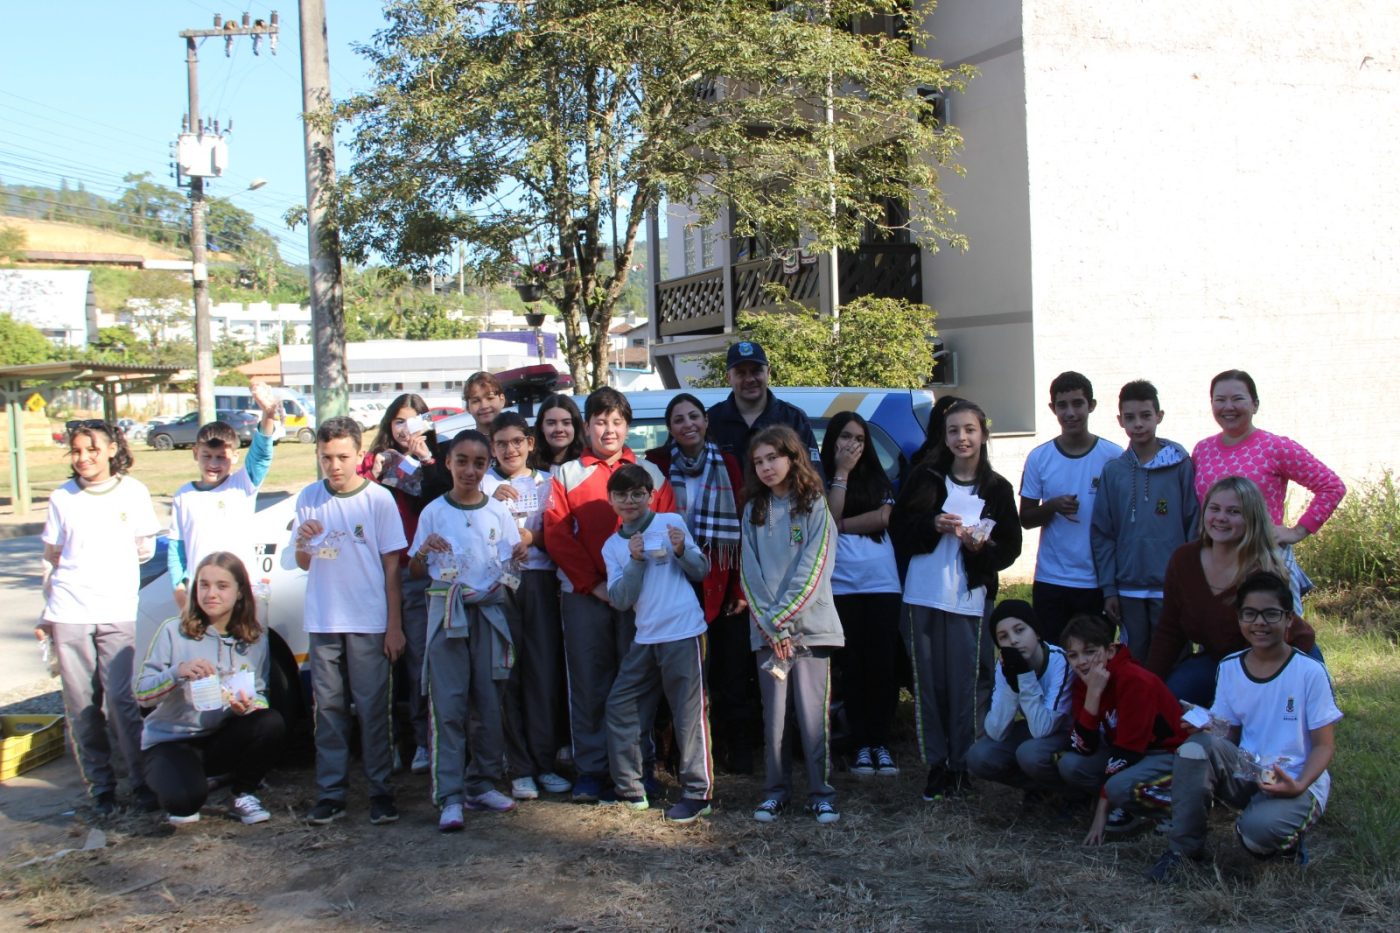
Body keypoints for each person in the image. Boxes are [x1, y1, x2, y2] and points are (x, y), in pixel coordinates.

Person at [1147, 571, 1342, 883]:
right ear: (1239, 618)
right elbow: (1230, 734)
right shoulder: (1230, 667)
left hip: (1294, 776)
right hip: (1250, 769)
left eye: (1271, 614)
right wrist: (1204, 725)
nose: (1259, 623)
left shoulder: (1309, 671)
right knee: (1194, 749)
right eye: (1250, 614)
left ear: (1289, 618)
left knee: (1255, 835)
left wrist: (1301, 783)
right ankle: (1183, 850)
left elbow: (1324, 745)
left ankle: (1285, 834)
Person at [543, 387, 676, 802]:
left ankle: (637, 769)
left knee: (638, 683)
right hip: (586, 595)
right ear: (587, 427)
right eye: (600, 421)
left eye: (617, 421)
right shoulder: (567, 474)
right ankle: (592, 769)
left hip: (640, 595)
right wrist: (593, 585)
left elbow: (666, 526)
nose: (609, 429)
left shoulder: (651, 474)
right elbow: (557, 534)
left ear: (627, 427)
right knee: (589, 683)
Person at [889, 399, 1022, 801]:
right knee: (928, 684)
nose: (961, 438)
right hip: (923, 595)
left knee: (966, 685)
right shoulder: (925, 478)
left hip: (968, 598)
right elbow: (899, 530)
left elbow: (1010, 547)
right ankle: (936, 765)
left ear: (982, 434)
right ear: (943, 437)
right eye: (953, 431)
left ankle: (963, 765)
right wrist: (932, 524)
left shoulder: (997, 488)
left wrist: (982, 547)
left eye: (969, 430)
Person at [40, 420, 161, 816]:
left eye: (92, 449)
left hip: (117, 611)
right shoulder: (63, 497)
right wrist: (49, 612)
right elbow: (54, 556)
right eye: (76, 451)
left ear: (112, 450)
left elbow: (144, 549)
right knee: (83, 706)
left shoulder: (134, 491)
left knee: (123, 702)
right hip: (71, 612)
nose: (83, 458)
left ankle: (143, 783)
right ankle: (101, 787)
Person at [292, 417, 407, 826]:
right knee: (329, 708)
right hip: (324, 620)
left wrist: (394, 626)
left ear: (360, 455)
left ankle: (380, 790)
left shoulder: (378, 500)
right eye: (326, 458)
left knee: (374, 709)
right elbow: (303, 561)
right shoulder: (308, 497)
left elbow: (392, 569)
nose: (334, 466)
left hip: (369, 621)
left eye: (342, 457)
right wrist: (304, 541)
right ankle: (331, 793)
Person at [409, 429, 525, 830]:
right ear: (448, 463)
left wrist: (515, 565)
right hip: (448, 614)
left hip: (489, 614)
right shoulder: (433, 513)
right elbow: (414, 568)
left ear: (487, 464)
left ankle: (483, 782)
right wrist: (423, 552)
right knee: (449, 703)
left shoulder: (497, 512)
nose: (471, 470)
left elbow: (512, 566)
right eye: (462, 461)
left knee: (489, 700)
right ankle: (450, 795)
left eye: (479, 463)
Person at [740, 425, 845, 825]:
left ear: (792, 457)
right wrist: (772, 626)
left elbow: (815, 567)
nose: (767, 467)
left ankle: (820, 793)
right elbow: (749, 572)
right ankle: (775, 792)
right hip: (769, 634)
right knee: (776, 717)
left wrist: (784, 619)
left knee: (811, 714)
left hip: (810, 629)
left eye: (773, 458)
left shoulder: (814, 504)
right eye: (759, 461)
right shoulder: (754, 509)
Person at [135, 552, 286, 825]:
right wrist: (177, 673)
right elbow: (143, 696)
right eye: (203, 585)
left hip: (220, 736)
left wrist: (250, 706)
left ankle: (243, 793)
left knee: (270, 721)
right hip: (172, 740)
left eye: (222, 586)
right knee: (184, 806)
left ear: (240, 592)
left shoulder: (255, 638)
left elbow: (261, 694)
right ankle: (171, 776)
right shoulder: (172, 630)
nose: (211, 594)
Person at [643, 394, 751, 774]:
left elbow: (741, 525)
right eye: (678, 419)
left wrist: (740, 589)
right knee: (673, 671)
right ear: (669, 427)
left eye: (694, 417)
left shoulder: (729, 463)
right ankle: (669, 754)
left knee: (726, 668)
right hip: (672, 575)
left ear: (706, 422)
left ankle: (731, 749)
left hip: (719, 577)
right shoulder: (656, 463)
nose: (687, 424)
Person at [602, 464, 714, 823]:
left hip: (683, 632)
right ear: (611, 500)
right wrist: (635, 560)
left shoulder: (672, 523)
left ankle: (698, 793)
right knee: (622, 706)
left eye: (638, 493)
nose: (630, 501)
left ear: (651, 496)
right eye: (622, 495)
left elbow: (702, 570)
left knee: (688, 714)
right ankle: (632, 789)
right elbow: (620, 599)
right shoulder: (612, 546)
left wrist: (682, 550)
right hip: (645, 636)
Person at [1146, 476, 1317, 707]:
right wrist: (1148, 683)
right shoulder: (1184, 559)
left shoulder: (1262, 570)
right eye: (1214, 509)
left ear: (1251, 519)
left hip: (1277, 659)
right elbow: (1170, 630)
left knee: (1257, 723)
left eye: (1234, 512)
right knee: (1171, 698)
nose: (1221, 518)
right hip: (1220, 659)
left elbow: (1281, 640)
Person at [1191, 369, 1346, 607]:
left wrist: (1297, 531)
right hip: (1217, 563)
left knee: (1273, 634)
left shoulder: (1275, 447)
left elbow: (1331, 486)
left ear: (1255, 404)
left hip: (1264, 560)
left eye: (1238, 399)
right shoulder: (1203, 450)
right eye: (1220, 400)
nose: (1228, 407)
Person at [482, 413, 572, 800]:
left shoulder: (547, 483)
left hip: (538, 581)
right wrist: (491, 503)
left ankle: (544, 762)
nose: (510, 450)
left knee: (543, 673)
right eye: (501, 444)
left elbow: (562, 533)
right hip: (498, 586)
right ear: (492, 448)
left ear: (530, 443)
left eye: (517, 441)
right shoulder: (482, 484)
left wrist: (533, 536)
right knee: (508, 675)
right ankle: (518, 767)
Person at [360, 393, 448, 777]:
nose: (405, 429)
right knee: (383, 665)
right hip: (376, 572)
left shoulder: (436, 458)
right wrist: (377, 469)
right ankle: (391, 745)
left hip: (417, 569)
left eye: (413, 420)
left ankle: (423, 742)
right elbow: (359, 492)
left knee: (418, 662)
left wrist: (423, 457)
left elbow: (433, 493)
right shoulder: (373, 461)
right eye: (398, 421)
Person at [1090, 380, 1199, 659]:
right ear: (1120, 421)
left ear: (1159, 416)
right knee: (1135, 660)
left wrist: (1190, 582)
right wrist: (1109, 589)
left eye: (1145, 416)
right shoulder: (1114, 472)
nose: (1138, 424)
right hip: (1129, 587)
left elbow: (1193, 524)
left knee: (1174, 658)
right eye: (1130, 417)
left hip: (1171, 587)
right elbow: (1103, 533)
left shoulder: (1180, 465)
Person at [1058, 613, 1187, 845]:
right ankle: (1131, 805)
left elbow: (1128, 752)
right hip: (1129, 753)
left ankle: (1180, 806)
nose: (1082, 662)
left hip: (1166, 753)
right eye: (1073, 655)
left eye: (1090, 652)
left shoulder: (1134, 679)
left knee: (1117, 785)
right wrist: (1093, 695)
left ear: (1109, 650)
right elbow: (1082, 747)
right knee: (1070, 764)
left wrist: (1101, 814)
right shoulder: (1083, 682)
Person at [821, 411, 902, 776]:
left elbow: (883, 517)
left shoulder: (878, 477)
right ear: (832, 440)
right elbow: (825, 519)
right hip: (841, 585)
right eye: (845, 437)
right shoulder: (823, 477)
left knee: (883, 665)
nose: (852, 445)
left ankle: (880, 741)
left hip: (882, 583)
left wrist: (841, 525)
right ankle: (859, 744)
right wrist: (841, 473)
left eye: (858, 439)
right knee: (852, 665)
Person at [1018, 371, 1123, 644]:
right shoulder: (1040, 457)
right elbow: (1026, 518)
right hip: (1052, 579)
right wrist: (1051, 506)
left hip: (1097, 581)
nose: (1071, 412)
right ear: (1053, 409)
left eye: (1078, 403)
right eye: (1062, 405)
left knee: (1095, 657)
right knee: (1055, 659)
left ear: (1092, 405)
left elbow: (1124, 518)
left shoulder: (1113, 456)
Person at [167, 381, 282, 609]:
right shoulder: (183, 495)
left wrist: (268, 415)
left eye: (221, 457)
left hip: (241, 592)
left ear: (235, 456)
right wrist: (180, 590)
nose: (213, 463)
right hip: (200, 595)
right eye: (207, 456)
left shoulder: (242, 484)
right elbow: (176, 548)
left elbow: (260, 453)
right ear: (195, 453)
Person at [964, 600, 1071, 794]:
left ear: (1037, 633)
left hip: (1068, 733)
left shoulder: (1060, 661)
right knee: (979, 756)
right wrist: (1013, 685)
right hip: (1035, 728)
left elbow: (1043, 729)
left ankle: (1073, 793)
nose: (1013, 640)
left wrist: (1025, 677)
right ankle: (1040, 790)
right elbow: (996, 731)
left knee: (1029, 754)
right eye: (1003, 637)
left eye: (1020, 630)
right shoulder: (1006, 664)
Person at [706, 340, 820, 465]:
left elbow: (812, 476)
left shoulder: (793, 418)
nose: (749, 379)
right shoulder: (711, 420)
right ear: (728, 378)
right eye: (741, 373)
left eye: (756, 371)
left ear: (768, 372)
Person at [530, 393, 585, 471]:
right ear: (541, 427)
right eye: (551, 423)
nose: (559, 429)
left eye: (566, 423)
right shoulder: (528, 467)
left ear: (575, 426)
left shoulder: (588, 465)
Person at [464, 370, 507, 435]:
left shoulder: (519, 439)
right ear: (467, 407)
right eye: (476, 401)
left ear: (502, 400)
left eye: (490, 398)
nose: (484, 406)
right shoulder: (464, 444)